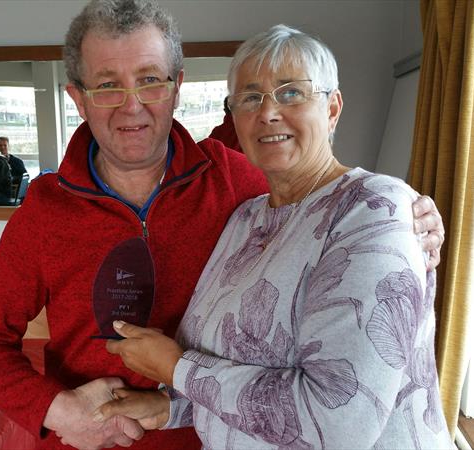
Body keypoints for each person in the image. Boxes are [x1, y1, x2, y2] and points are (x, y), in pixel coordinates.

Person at [0, 2, 445, 449]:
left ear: (176, 87)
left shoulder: (235, 182)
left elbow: (318, 192)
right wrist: (58, 411)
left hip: (215, 437)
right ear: (78, 99)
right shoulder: (45, 210)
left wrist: (404, 214)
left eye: (150, 79)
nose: (132, 104)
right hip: (91, 441)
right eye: (107, 85)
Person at [101, 24, 452, 449]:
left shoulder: (373, 210)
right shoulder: (246, 219)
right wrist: (168, 407)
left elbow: (338, 422)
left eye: (291, 92)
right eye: (250, 97)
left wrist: (177, 369)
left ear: (333, 108)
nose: (267, 112)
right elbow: (243, 374)